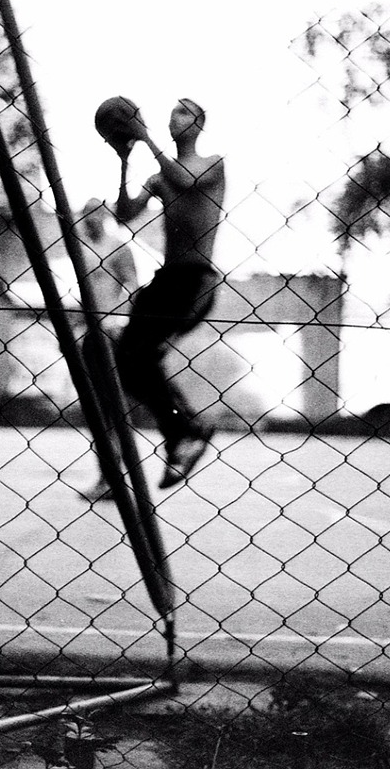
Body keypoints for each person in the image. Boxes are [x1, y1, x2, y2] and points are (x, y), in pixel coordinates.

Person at [112, 98, 226, 490]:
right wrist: (125, 159)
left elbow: (186, 182)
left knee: (139, 354)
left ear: (199, 124)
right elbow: (124, 214)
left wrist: (143, 137)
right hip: (167, 279)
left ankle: (188, 430)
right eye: (172, 113)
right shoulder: (160, 177)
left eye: (184, 112)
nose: (174, 119)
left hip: (195, 280)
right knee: (127, 359)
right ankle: (183, 433)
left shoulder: (212, 164)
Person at [76, 197, 141, 501]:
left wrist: (116, 319)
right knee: (98, 410)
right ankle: (107, 477)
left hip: (112, 331)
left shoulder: (117, 247)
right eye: (84, 215)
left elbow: (131, 285)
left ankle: (114, 478)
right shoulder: (82, 250)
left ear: (104, 216)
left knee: (113, 408)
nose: (88, 221)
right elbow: (82, 293)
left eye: (94, 215)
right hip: (90, 333)